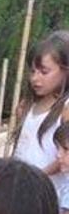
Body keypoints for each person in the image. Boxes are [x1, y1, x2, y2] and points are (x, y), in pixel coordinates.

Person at [13, 32, 69, 176]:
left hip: (50, 191)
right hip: (22, 185)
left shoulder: (65, 109)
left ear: (65, 71)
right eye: (32, 71)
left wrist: (39, 178)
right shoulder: (27, 106)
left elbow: (65, 157)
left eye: (44, 72)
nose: (35, 78)